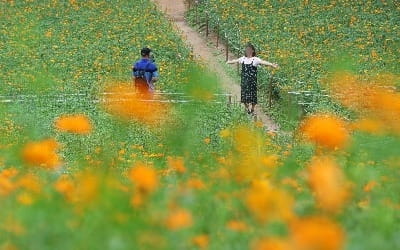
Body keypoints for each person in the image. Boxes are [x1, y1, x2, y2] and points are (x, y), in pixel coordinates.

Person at [226, 43, 279, 115]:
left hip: (252, 81)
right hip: (244, 80)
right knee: (244, 95)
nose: (247, 51)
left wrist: (272, 65)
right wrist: (229, 62)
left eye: (249, 50)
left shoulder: (255, 59)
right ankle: (247, 109)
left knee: (253, 95)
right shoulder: (243, 59)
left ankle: (252, 109)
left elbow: (263, 62)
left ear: (253, 51)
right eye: (247, 49)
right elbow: (235, 61)